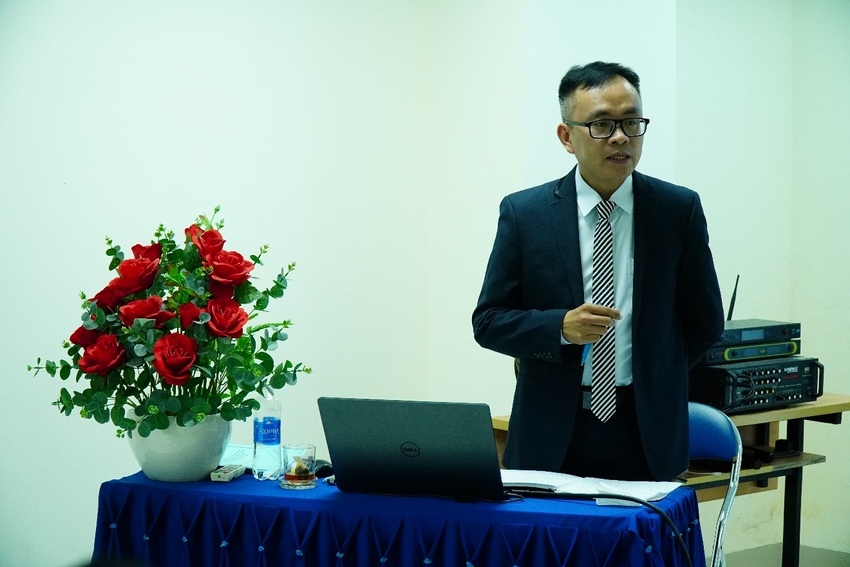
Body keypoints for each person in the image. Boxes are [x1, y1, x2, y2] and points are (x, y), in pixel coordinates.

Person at [472, 61, 724, 481]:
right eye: (602, 124)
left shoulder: (677, 210)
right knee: (546, 546)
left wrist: (655, 374)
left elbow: (704, 321)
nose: (621, 136)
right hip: (552, 429)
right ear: (566, 136)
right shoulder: (525, 214)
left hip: (646, 432)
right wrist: (561, 328)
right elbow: (489, 321)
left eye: (631, 122)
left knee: (641, 546)